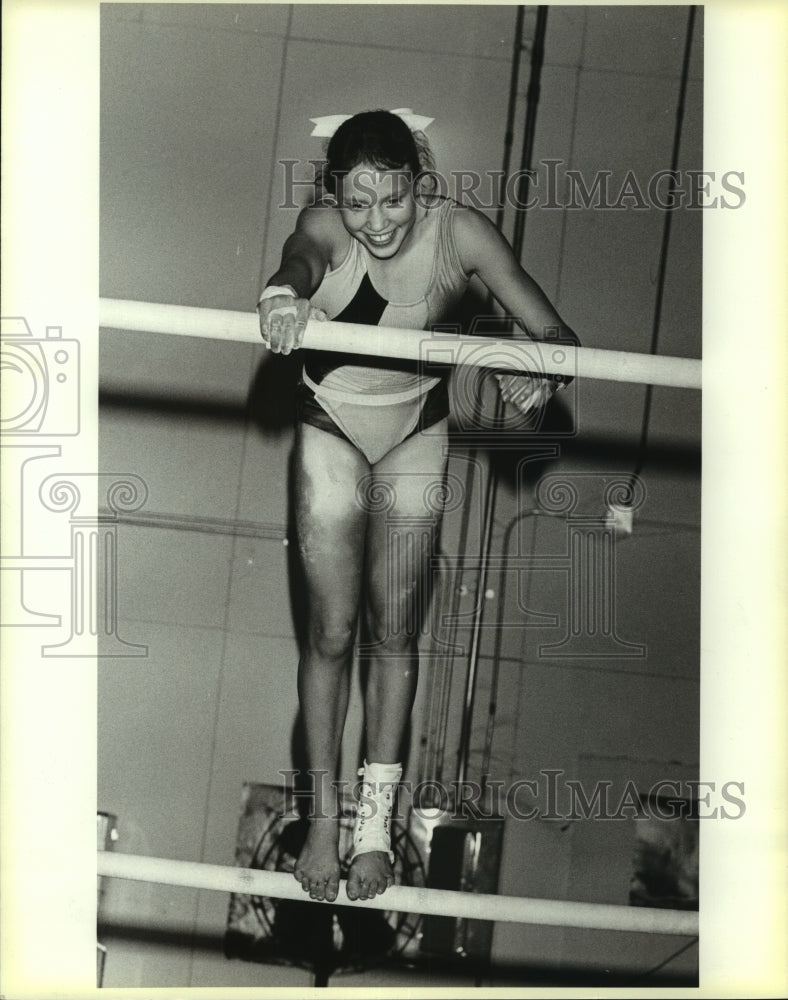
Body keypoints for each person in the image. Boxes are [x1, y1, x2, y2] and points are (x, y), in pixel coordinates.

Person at [257, 110, 578, 904]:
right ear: (338, 195)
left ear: (421, 188)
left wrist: (543, 370)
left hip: (415, 430)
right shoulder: (326, 226)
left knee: (396, 634)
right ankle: (325, 824)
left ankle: (374, 828)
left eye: (393, 200)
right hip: (332, 422)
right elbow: (299, 264)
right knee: (332, 634)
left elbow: (554, 330)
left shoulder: (461, 234)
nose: (377, 222)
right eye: (359, 203)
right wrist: (279, 296)